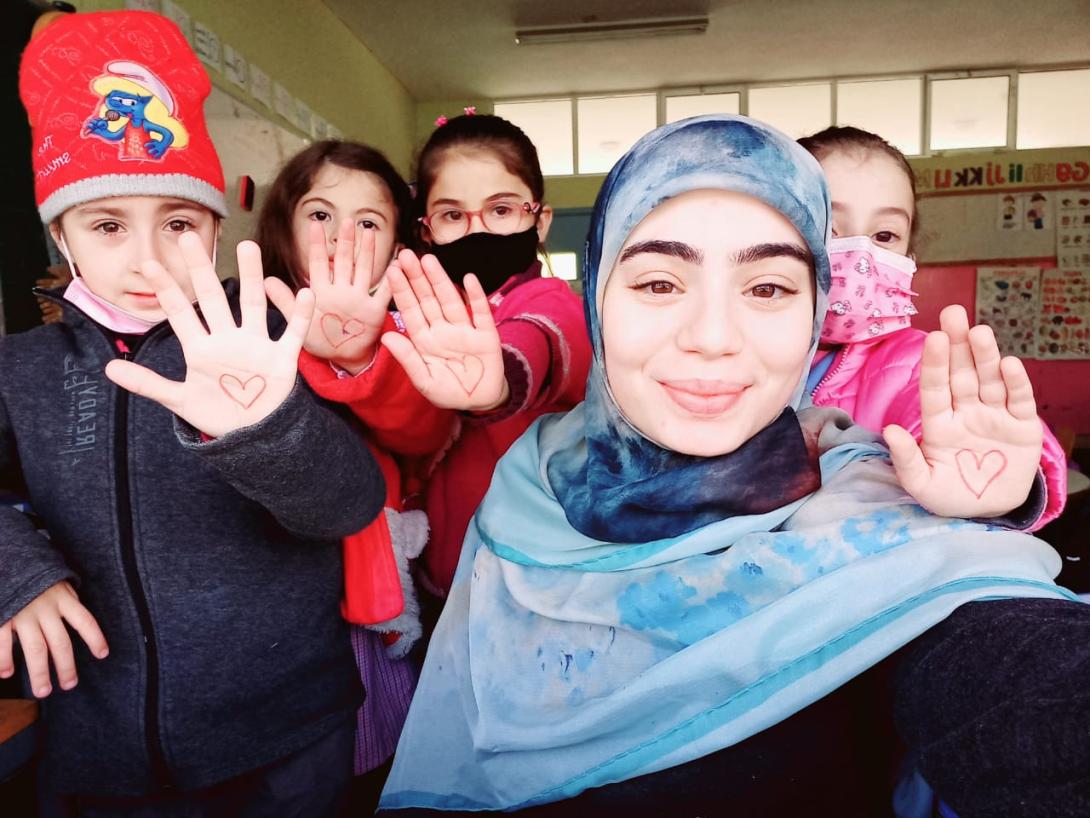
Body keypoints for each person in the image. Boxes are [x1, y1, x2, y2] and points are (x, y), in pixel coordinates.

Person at [378, 115, 1086, 817]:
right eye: (658, 283)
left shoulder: (863, 501)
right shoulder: (530, 491)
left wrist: (1001, 491)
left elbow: (1026, 681)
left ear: (814, 309)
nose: (712, 338)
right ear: (595, 297)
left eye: (769, 288)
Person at [4, 11, 383, 813]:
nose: (149, 259)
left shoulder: (272, 328)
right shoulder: (21, 369)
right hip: (101, 750)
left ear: (214, 226)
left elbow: (352, 504)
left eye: (177, 223)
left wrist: (265, 429)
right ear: (64, 239)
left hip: (289, 737)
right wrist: (16, 572)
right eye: (108, 226)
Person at [258, 140, 453, 809]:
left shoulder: (406, 330)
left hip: (361, 604)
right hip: (263, 614)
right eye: (319, 214)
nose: (342, 236)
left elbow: (422, 431)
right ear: (284, 226)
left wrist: (358, 358)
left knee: (360, 772)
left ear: (399, 245)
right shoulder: (239, 324)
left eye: (368, 221)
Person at [799, 125, 1066, 528]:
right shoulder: (716, 345)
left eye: (885, 235)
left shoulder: (922, 362)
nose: (859, 253)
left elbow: (961, 429)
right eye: (827, 228)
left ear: (910, 255)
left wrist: (998, 490)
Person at [380, 112, 592, 597]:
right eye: (453, 215)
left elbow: (538, 344)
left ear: (539, 221)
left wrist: (496, 384)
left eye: (501, 210)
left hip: (537, 583)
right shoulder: (422, 317)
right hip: (442, 574)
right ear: (427, 230)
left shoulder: (555, 304)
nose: (479, 229)